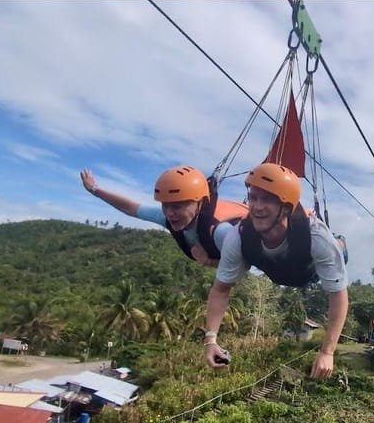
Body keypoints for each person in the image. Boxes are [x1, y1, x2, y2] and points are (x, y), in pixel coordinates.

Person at [202, 162, 349, 378]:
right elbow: (221, 290)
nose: (257, 206)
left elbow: (338, 296)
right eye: (253, 197)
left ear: (287, 207)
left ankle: (341, 243)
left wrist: (327, 352)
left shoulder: (315, 237)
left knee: (336, 249)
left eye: (268, 199)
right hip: (277, 270)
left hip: (309, 270)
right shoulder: (239, 235)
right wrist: (210, 340)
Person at [81, 166, 247, 267]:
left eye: (177, 206)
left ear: (199, 203)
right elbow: (130, 208)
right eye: (165, 205)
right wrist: (96, 190)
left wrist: (209, 262)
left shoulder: (220, 231)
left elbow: (246, 262)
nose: (169, 213)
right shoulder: (168, 217)